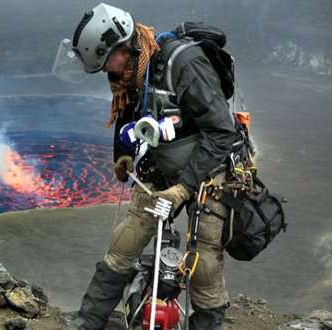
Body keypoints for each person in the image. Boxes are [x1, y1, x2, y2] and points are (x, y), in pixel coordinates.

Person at [62, 3, 239, 329]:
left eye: (106, 62)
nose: (107, 72)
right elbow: (128, 114)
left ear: (122, 46)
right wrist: (123, 157)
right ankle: (87, 322)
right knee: (126, 240)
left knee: (203, 261)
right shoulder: (133, 74)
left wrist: (183, 188)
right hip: (162, 165)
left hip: (209, 167)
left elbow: (222, 132)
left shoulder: (183, 65)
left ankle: (208, 324)